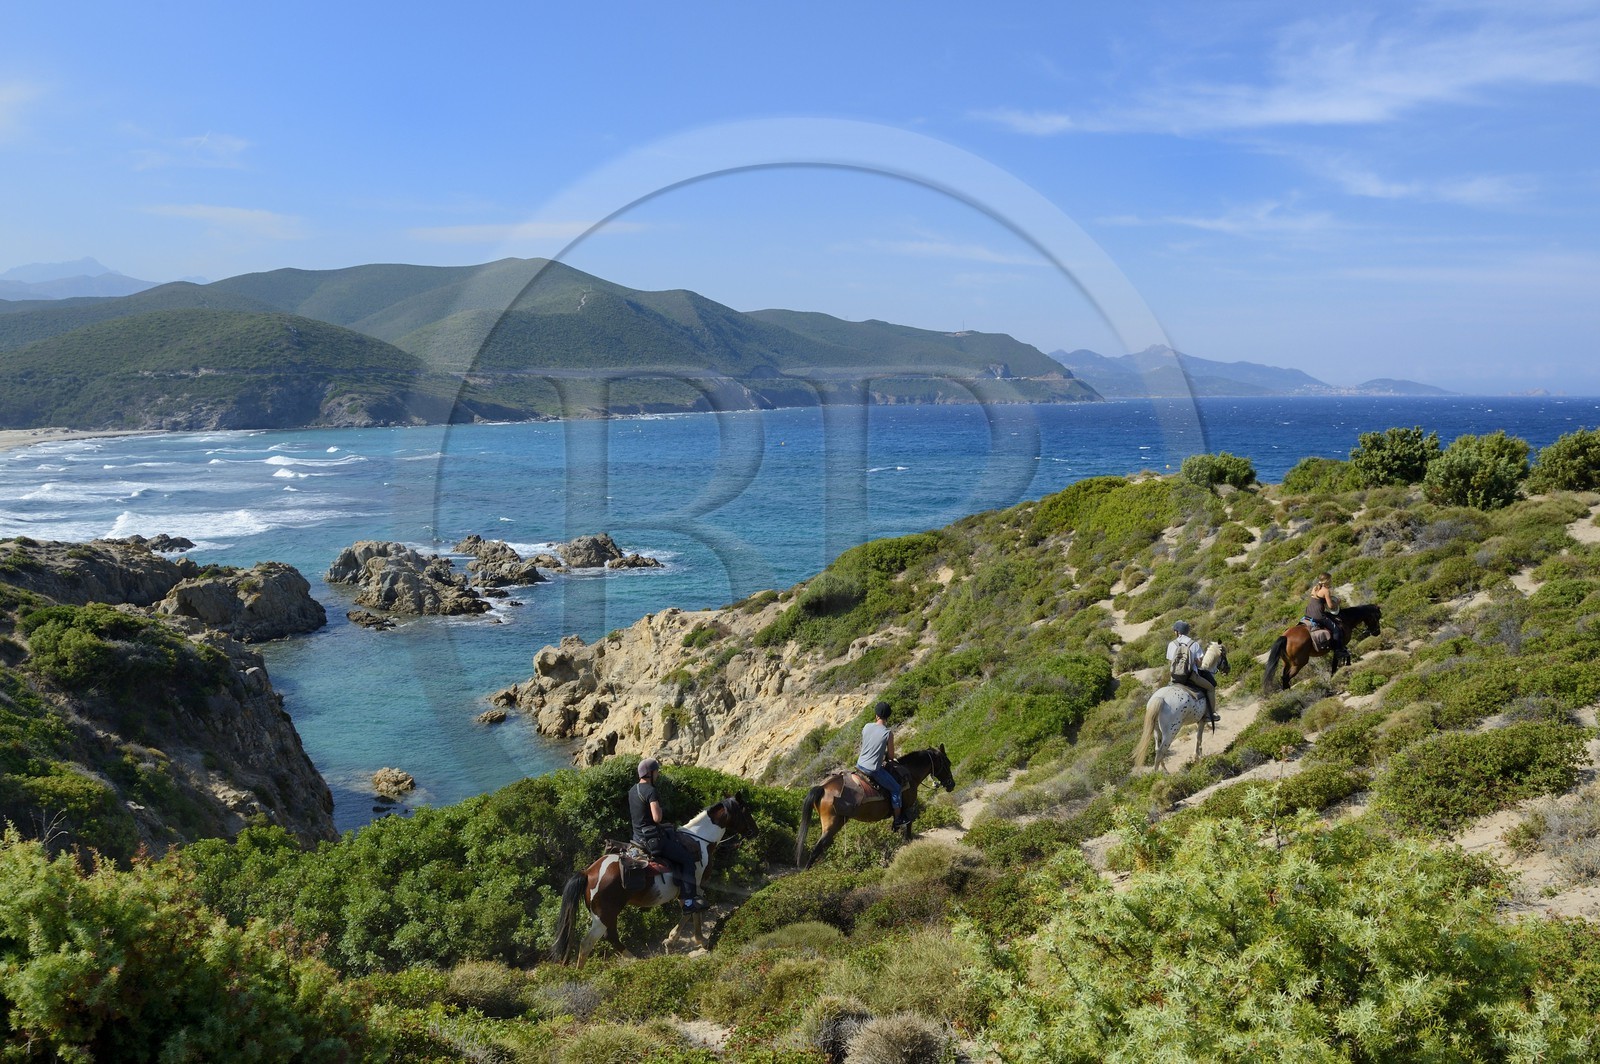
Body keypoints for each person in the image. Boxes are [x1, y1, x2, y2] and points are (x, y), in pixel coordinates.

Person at [629, 757, 706, 913]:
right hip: (653, 841)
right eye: (656, 772)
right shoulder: (651, 791)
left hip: (637, 839)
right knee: (687, 859)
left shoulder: (632, 790)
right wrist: (661, 810)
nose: (657, 775)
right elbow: (657, 818)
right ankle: (688, 903)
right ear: (650, 773)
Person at [856, 701, 906, 830]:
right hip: (872, 770)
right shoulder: (888, 733)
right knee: (895, 788)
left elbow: (869, 745)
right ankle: (898, 820)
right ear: (888, 716)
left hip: (860, 764)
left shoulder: (866, 726)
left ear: (876, 715)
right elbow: (890, 757)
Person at [1167, 620, 1218, 724]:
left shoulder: (1172, 644)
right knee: (1211, 688)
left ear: (1177, 632)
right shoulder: (1194, 644)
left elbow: (1170, 662)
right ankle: (1210, 714)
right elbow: (1199, 664)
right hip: (1191, 676)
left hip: (1174, 677)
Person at [1303, 572, 1348, 665]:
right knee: (1336, 630)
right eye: (1330, 580)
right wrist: (1338, 602)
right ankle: (1338, 650)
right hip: (1318, 615)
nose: (1331, 581)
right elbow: (1331, 606)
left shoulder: (1315, 588)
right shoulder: (1325, 590)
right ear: (1327, 581)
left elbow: (1318, 601)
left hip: (1308, 613)